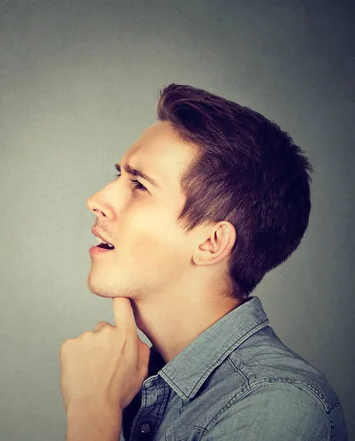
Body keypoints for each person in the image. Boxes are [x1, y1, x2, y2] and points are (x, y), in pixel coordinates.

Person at [59, 84, 349, 441]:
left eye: (140, 185)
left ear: (211, 242)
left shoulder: (275, 404)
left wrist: (92, 413)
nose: (96, 199)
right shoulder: (138, 380)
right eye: (118, 175)